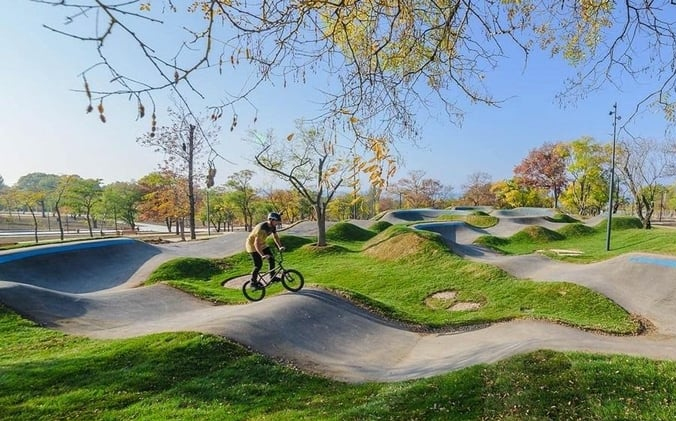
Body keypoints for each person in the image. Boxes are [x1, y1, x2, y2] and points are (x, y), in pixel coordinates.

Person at [245, 212, 285, 288]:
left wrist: (280, 246)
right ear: (271, 220)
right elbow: (256, 244)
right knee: (258, 265)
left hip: (262, 244)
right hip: (252, 246)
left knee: (272, 258)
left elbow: (275, 237)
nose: (277, 224)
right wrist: (262, 255)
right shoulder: (261, 228)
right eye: (276, 222)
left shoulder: (273, 227)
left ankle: (272, 277)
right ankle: (253, 283)